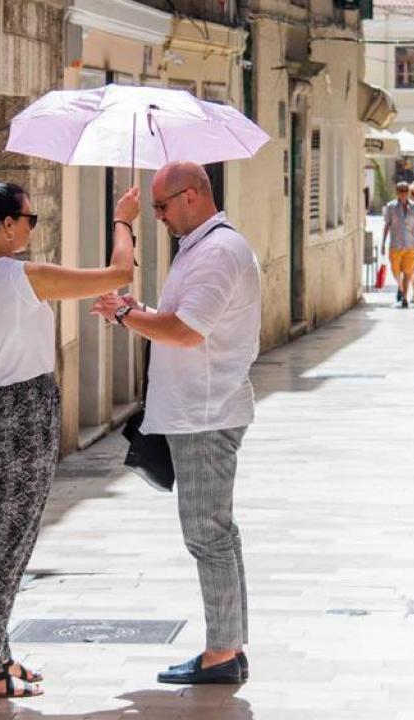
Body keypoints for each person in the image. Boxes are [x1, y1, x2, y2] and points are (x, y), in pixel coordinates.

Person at [0, 175, 137, 699]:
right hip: (28, 412)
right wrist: (123, 221)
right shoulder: (26, 276)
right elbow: (120, 272)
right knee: (11, 542)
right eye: (29, 219)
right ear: (5, 226)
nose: (30, 227)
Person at [90, 161, 261, 686]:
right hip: (197, 411)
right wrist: (137, 310)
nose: (158, 215)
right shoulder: (201, 249)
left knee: (208, 535)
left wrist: (125, 316)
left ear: (193, 196)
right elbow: (181, 320)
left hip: (205, 415)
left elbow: (186, 331)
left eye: (162, 206)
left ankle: (222, 654)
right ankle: (228, 645)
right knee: (216, 535)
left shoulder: (218, 252)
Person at [380, 181, 414, 309]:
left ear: (408, 192)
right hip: (395, 245)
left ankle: (404, 298)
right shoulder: (390, 206)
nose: (403, 193)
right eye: (401, 190)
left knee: (407, 272)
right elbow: (387, 225)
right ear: (397, 192)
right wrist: (382, 243)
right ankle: (400, 287)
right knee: (396, 271)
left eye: (405, 190)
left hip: (411, 245)